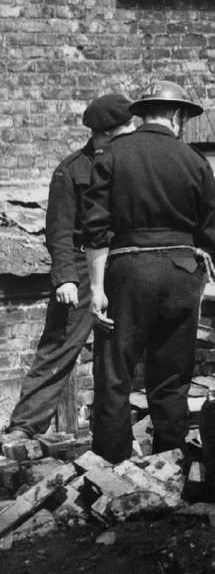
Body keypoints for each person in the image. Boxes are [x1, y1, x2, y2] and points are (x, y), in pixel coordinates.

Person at [83, 81, 215, 463]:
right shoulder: (196, 161)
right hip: (181, 272)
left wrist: (96, 287)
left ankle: (109, 468)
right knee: (172, 379)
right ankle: (169, 464)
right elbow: (208, 234)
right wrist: (194, 281)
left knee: (114, 376)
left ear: (144, 113)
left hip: (128, 272)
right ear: (177, 116)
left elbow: (95, 227)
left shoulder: (110, 155)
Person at [1, 96, 137, 446]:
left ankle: (114, 431)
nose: (130, 137)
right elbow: (59, 229)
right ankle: (24, 426)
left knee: (120, 348)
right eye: (122, 132)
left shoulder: (130, 162)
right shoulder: (71, 170)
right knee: (59, 346)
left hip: (121, 262)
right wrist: (65, 277)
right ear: (101, 135)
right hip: (79, 265)